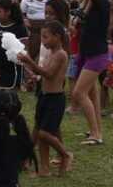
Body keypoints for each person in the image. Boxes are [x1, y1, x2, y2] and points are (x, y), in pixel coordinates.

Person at [18, 22, 73, 176]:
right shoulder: (50, 53)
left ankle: (65, 154)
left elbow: (49, 74)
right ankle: (44, 168)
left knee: (44, 133)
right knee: (40, 132)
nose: (43, 41)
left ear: (57, 37)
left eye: (46, 37)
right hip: (44, 96)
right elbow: (44, 75)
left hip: (55, 99)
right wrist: (33, 76)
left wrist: (29, 61)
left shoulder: (61, 54)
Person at [72, 0, 110, 145]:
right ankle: (96, 131)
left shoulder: (102, 1)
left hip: (97, 54)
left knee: (79, 93)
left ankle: (96, 135)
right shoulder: (88, 5)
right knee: (92, 95)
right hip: (88, 53)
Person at [0, 0, 28, 90]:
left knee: (7, 95)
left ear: (8, 12)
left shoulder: (19, 28)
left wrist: (27, 73)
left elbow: (25, 50)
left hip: (12, 69)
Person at [19, 0, 52, 65]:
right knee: (32, 51)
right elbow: (21, 13)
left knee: (45, 52)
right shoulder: (27, 0)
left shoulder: (50, 0)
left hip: (47, 28)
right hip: (32, 29)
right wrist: (25, 20)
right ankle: (31, 71)